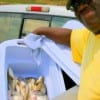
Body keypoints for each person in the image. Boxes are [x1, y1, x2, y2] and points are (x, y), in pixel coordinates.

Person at [32, 0, 100, 99]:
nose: (79, 5)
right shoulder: (90, 36)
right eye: (75, 6)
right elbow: (69, 36)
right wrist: (40, 30)